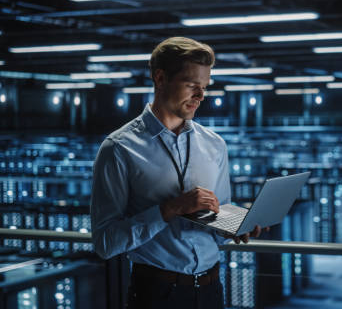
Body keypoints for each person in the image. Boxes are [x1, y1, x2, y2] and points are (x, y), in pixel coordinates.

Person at [90, 36, 261, 309]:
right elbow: (105, 242)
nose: (201, 96)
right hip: (156, 294)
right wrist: (169, 209)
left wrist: (234, 225)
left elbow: (218, 214)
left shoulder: (215, 145)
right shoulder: (119, 148)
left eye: (204, 87)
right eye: (192, 85)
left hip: (211, 290)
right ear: (160, 78)